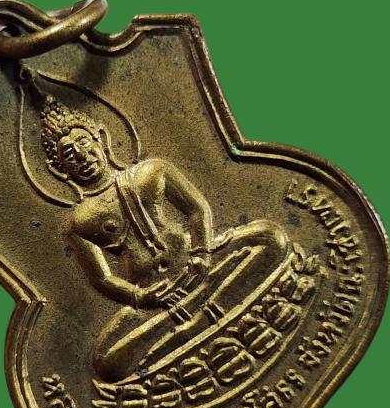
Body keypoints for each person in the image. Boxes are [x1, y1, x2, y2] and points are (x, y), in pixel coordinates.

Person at [41, 97, 289, 383]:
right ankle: (203, 312)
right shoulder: (79, 221)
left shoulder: (152, 170)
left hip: (198, 265)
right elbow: (102, 279)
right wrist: (141, 297)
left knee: (271, 238)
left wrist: (202, 254)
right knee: (106, 363)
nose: (82, 156)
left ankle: (190, 324)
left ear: (102, 139)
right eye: (69, 155)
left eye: (84, 143)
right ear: (60, 169)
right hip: (154, 296)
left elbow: (197, 209)